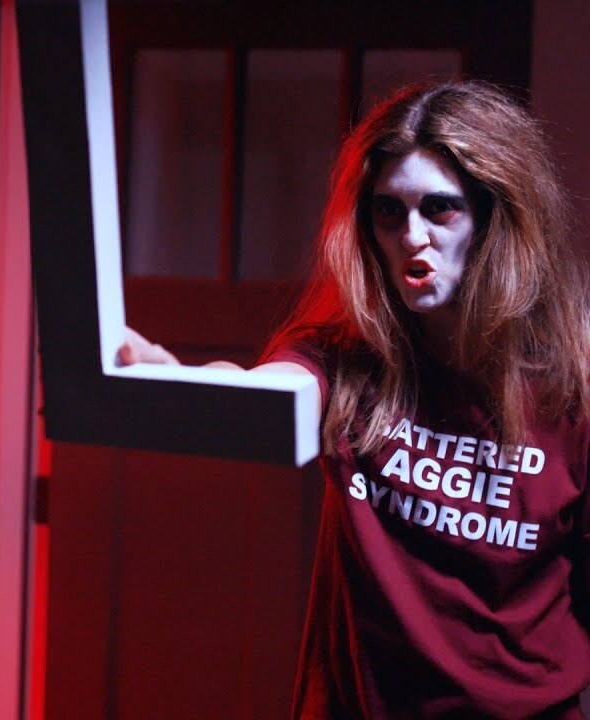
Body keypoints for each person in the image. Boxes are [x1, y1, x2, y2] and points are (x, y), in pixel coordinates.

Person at [120, 80, 590, 718]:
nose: (412, 236)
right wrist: (191, 382)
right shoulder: (344, 358)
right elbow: (277, 390)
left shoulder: (572, 385)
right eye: (389, 212)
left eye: (440, 209)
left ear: (493, 217)